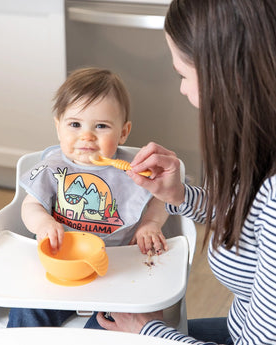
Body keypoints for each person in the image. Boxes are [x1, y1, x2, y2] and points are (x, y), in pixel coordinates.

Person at [95, 0, 276, 344]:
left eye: (183, 74)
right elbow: (250, 222)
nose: (182, 89)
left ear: (226, 72)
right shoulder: (260, 143)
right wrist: (180, 195)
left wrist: (148, 331)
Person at [7, 67, 169, 328]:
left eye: (101, 126)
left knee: (110, 330)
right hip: (61, 269)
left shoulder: (134, 170)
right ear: (58, 127)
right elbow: (31, 205)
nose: (86, 136)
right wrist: (44, 224)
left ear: (123, 132)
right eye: (74, 124)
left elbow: (160, 197)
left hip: (117, 273)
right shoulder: (53, 166)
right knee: (26, 308)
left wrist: (150, 224)